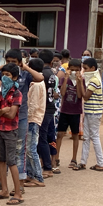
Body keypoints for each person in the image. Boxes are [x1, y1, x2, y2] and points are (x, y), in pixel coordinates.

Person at [0, 49, 44, 193]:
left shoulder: (25, 75)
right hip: (3, 119)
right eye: (8, 61)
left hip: (20, 118)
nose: (11, 64)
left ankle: (19, 184)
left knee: (19, 151)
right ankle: (2, 181)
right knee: (3, 153)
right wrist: (4, 67)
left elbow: (40, 78)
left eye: (14, 62)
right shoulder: (4, 75)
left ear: (20, 62)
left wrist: (23, 67)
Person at [0, 64, 23, 205]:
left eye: (8, 75)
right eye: (3, 74)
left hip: (10, 130)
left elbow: (11, 114)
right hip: (0, 129)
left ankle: (18, 193)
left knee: (11, 161)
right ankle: (4, 190)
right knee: (1, 160)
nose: (4, 77)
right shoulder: (0, 93)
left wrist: (2, 111)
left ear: (15, 77)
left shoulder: (17, 93)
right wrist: (4, 110)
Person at [74, 57, 103, 171]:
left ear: (92, 68)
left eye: (85, 68)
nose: (84, 71)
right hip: (90, 111)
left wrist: (80, 82)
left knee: (94, 137)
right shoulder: (94, 78)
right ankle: (83, 162)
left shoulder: (94, 80)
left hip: (93, 112)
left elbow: (85, 97)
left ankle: (100, 163)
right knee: (87, 137)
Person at [56, 59, 84, 169]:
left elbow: (80, 95)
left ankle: (74, 159)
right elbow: (62, 93)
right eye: (72, 70)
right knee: (60, 134)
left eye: (76, 70)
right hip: (64, 110)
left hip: (75, 111)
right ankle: (56, 157)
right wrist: (66, 78)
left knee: (75, 135)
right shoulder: (64, 80)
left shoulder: (81, 80)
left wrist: (79, 82)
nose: (74, 72)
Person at [37, 50, 59, 179]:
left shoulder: (41, 74)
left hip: (44, 108)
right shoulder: (51, 73)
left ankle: (47, 167)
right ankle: (48, 162)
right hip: (50, 107)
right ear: (51, 61)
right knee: (48, 136)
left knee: (42, 137)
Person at [25, 58, 47, 187]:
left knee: (31, 148)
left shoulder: (37, 84)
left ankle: (38, 176)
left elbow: (32, 105)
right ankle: (31, 174)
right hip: (34, 118)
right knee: (29, 148)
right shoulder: (37, 82)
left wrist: (26, 118)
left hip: (33, 119)